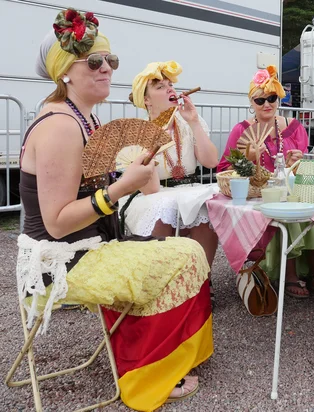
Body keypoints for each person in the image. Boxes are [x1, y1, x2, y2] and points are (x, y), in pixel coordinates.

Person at [18, 9, 212, 410]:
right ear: (64, 72)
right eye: (94, 61)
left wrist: (127, 174)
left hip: (87, 248)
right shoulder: (59, 125)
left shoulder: (81, 117)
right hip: (61, 262)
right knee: (182, 256)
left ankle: (158, 355)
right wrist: (121, 187)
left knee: (186, 252)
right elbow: (55, 223)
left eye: (111, 60)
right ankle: (145, 372)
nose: (106, 68)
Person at [217, 66, 314, 298]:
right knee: (285, 211)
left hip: (291, 188)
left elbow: (303, 168)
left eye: (272, 98)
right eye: (260, 100)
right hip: (258, 195)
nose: (267, 104)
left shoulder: (294, 128)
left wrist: (297, 161)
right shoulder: (241, 130)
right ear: (252, 102)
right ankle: (290, 273)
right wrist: (248, 158)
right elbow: (224, 169)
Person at [122, 61, 219, 299]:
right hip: (153, 193)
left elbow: (210, 162)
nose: (169, 90)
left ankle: (200, 282)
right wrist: (153, 141)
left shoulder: (187, 122)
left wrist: (194, 122)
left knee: (206, 212)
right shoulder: (138, 131)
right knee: (160, 211)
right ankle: (162, 287)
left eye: (170, 85)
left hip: (189, 187)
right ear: (146, 100)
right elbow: (151, 188)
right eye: (160, 87)